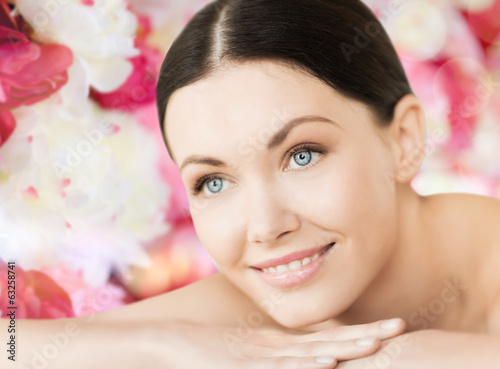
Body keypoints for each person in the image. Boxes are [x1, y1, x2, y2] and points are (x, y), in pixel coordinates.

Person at [2, 0, 500, 368]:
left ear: (405, 139)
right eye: (213, 182)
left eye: (302, 155)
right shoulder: (269, 295)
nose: (264, 227)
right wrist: (166, 344)